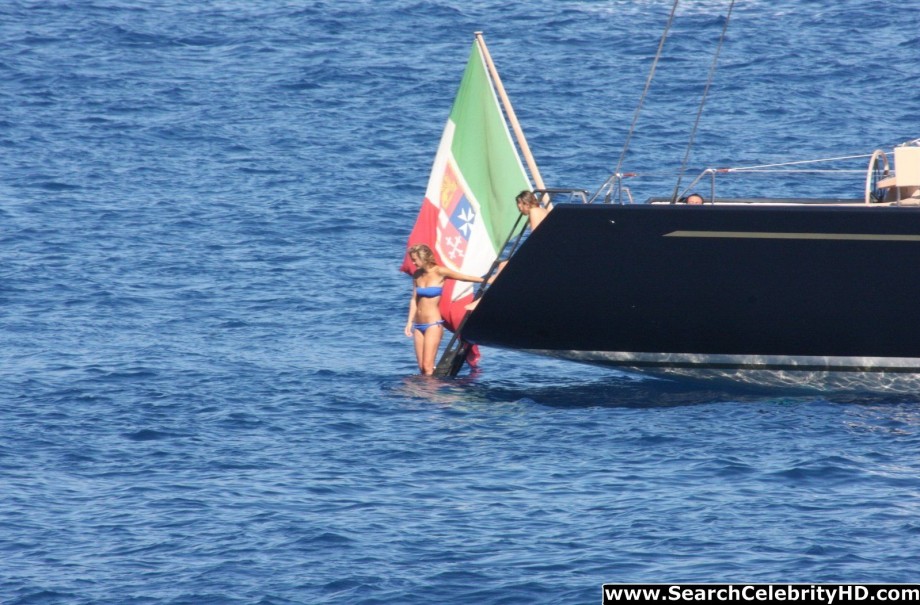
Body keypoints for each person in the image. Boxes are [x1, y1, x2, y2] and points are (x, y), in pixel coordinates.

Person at [404, 243, 485, 375]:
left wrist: (486, 281)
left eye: (415, 259)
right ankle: (425, 392)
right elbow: (414, 299)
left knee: (428, 367)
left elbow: (464, 277)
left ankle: (430, 393)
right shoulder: (417, 274)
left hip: (433, 324)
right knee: (421, 368)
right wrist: (409, 322)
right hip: (418, 325)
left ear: (423, 258)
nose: (413, 263)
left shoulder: (440, 272)